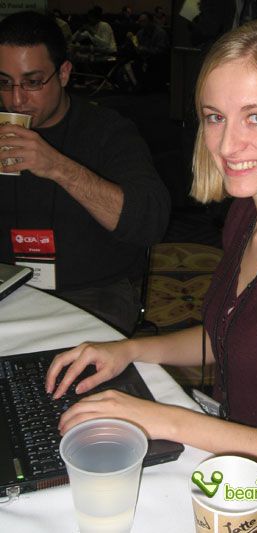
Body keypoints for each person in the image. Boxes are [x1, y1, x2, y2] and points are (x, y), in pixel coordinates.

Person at [46, 19, 257, 532]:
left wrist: (168, 421)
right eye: (215, 117)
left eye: (256, 117)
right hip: (225, 459)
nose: (227, 145)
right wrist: (129, 349)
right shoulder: (248, 214)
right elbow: (226, 334)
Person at [0, 11, 170, 335]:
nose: (16, 100)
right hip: (10, 285)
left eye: (33, 82)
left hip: (94, 290)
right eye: (5, 82)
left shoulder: (108, 132)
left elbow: (151, 222)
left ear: (64, 73)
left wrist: (57, 166)